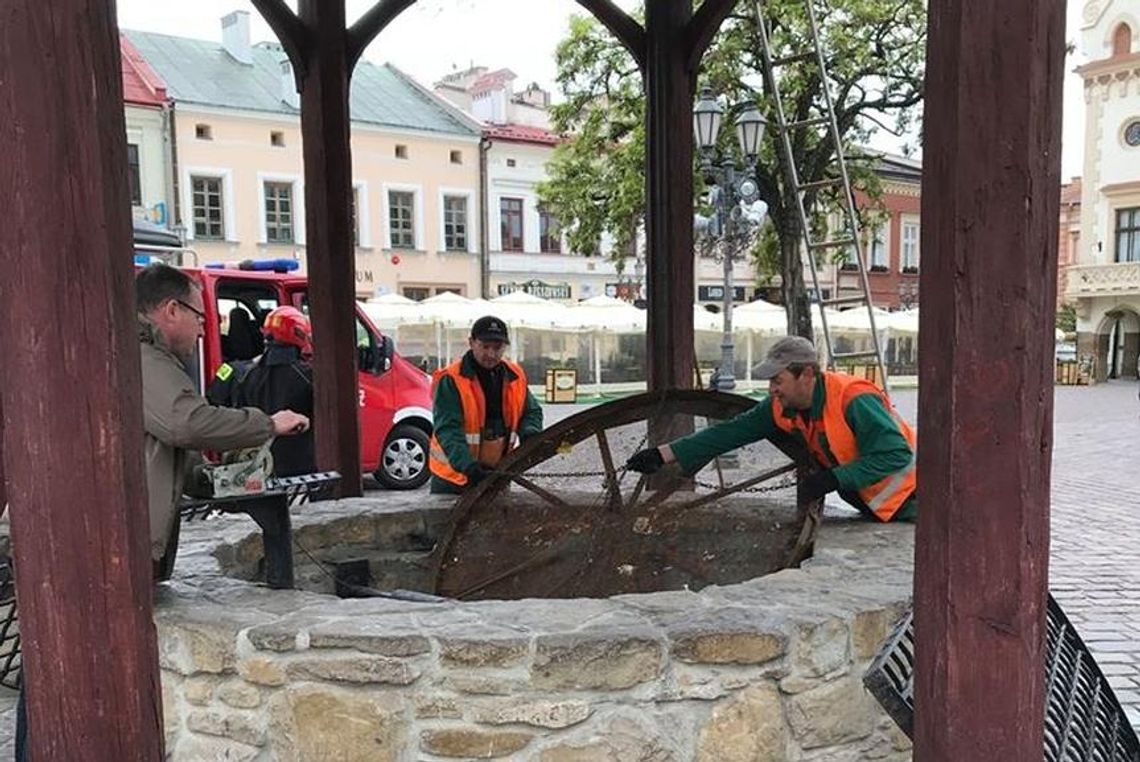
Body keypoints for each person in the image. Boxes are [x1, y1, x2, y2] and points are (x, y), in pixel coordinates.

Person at [625, 335, 917, 522]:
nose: (772, 389)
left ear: (805, 375)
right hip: (877, 509)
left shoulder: (854, 399)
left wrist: (834, 479)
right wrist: (663, 454)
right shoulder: (779, 407)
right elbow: (728, 433)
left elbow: (895, 456)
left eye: (777, 380)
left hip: (916, 503)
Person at [136, 263, 310, 572]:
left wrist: (217, 478)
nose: (204, 330)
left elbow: (169, 446)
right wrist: (268, 424)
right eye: (200, 318)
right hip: (124, 544)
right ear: (173, 310)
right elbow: (187, 423)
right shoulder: (143, 358)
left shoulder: (236, 369)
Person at [429, 315, 544, 494]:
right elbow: (448, 429)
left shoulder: (515, 375)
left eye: (497, 348)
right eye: (485, 346)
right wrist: (468, 467)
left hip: (496, 473)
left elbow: (531, 412)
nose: (491, 354)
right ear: (471, 342)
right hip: (454, 477)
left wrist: (530, 433)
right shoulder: (452, 379)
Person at [211, 305, 316, 478]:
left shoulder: (236, 371)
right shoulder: (311, 376)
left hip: (255, 468)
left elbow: (213, 402)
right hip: (301, 471)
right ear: (300, 334)